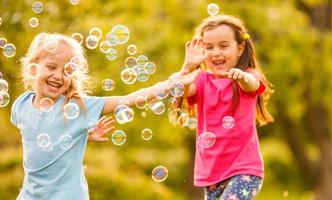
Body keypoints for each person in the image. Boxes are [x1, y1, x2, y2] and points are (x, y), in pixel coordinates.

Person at [10, 32, 199, 200]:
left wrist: (170, 83)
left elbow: (128, 99)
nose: (58, 76)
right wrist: (82, 137)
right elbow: (41, 135)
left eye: (67, 71)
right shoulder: (21, 105)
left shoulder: (78, 107)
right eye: (51, 67)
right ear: (33, 68)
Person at [178, 14, 274, 200]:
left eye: (223, 46)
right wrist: (188, 66)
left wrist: (242, 77)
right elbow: (181, 90)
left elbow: (253, 84)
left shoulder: (247, 76)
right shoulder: (201, 80)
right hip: (211, 174)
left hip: (244, 170)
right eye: (209, 47)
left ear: (240, 48)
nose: (215, 53)